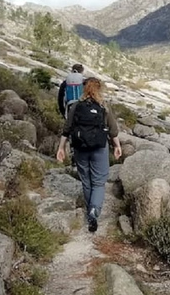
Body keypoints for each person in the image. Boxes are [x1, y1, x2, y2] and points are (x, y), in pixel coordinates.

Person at [56, 77, 122, 233]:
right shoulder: (104, 106)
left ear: (84, 89)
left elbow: (66, 129)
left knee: (86, 181)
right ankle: (94, 211)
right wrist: (117, 146)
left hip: (80, 148)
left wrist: (61, 148)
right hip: (100, 148)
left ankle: (89, 210)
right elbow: (113, 130)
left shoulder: (75, 106)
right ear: (100, 89)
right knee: (99, 182)